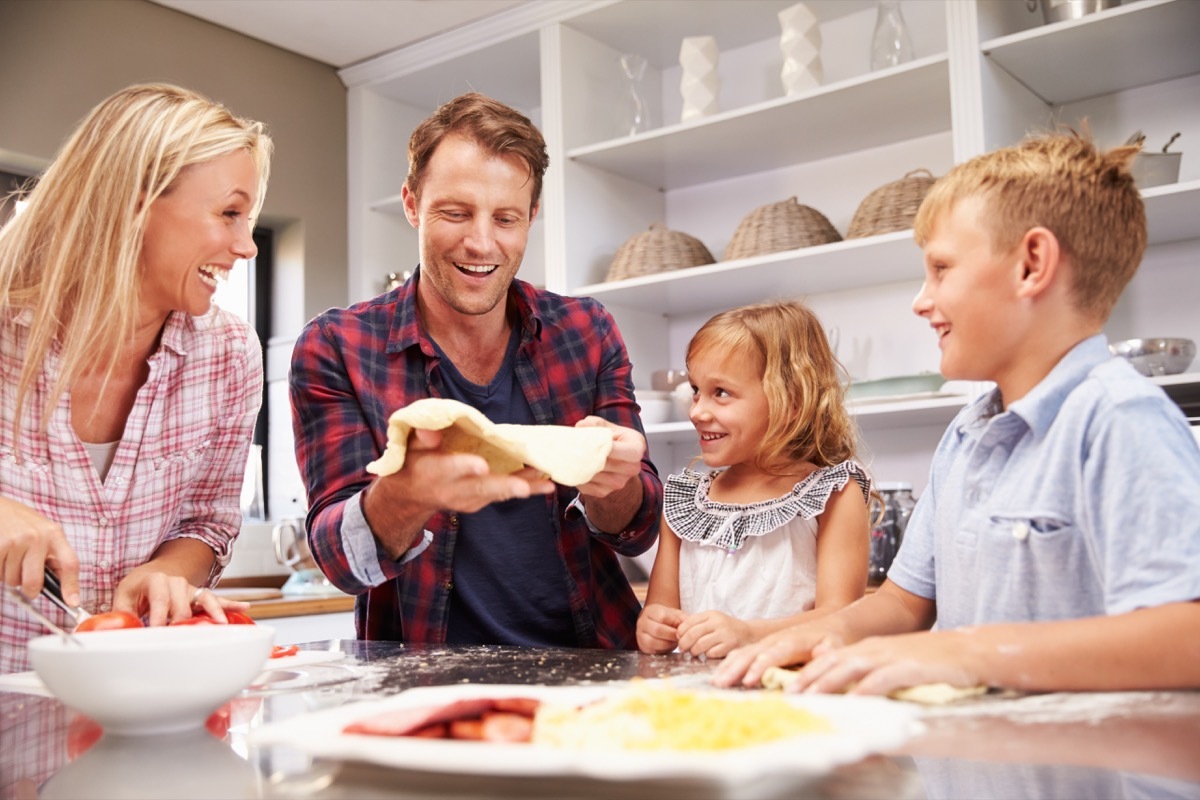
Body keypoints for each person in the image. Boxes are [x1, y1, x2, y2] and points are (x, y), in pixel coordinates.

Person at [714, 131, 1200, 694]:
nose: (922, 300)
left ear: (1031, 265)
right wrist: (818, 635)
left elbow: (1186, 636)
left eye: (941, 269)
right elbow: (902, 603)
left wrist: (971, 652)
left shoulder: (1119, 420)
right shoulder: (966, 437)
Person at [289, 92, 662, 649]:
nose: (481, 243)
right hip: (425, 684)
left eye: (506, 218)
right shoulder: (337, 346)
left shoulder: (586, 330)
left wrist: (616, 485)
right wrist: (406, 495)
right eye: (455, 212)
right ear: (412, 204)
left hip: (594, 666)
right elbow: (341, 562)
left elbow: (636, 530)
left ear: (532, 216)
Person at [0, 83, 271, 673]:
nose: (247, 245)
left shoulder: (228, 355)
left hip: (133, 704)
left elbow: (208, 522)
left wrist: (167, 573)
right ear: (133, 201)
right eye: (228, 212)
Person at [636, 301, 872, 658]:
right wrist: (652, 626)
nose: (697, 411)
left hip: (791, 697)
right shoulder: (685, 502)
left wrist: (749, 635)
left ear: (791, 400)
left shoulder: (834, 493)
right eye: (696, 390)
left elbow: (841, 619)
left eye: (721, 393)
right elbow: (661, 613)